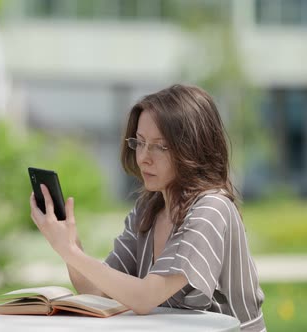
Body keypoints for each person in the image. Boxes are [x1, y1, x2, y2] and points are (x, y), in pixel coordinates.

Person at [29, 84, 266, 331]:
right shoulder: (149, 209)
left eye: (159, 146)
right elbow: (98, 291)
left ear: (193, 148)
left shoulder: (212, 209)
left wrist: (69, 251)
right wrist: (71, 242)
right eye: (140, 142)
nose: (143, 157)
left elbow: (144, 298)